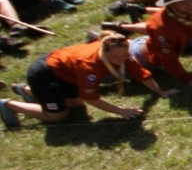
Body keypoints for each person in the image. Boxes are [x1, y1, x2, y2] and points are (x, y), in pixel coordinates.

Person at [1, 32, 177, 128]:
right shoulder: (89, 67)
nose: (123, 59)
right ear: (105, 52)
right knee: (58, 117)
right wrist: (121, 111)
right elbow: (90, 97)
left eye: (125, 54)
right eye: (117, 57)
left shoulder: (122, 55)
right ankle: (8, 104)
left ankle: (28, 91)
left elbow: (142, 75)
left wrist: (160, 92)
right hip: (44, 74)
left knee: (76, 104)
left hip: (64, 71)